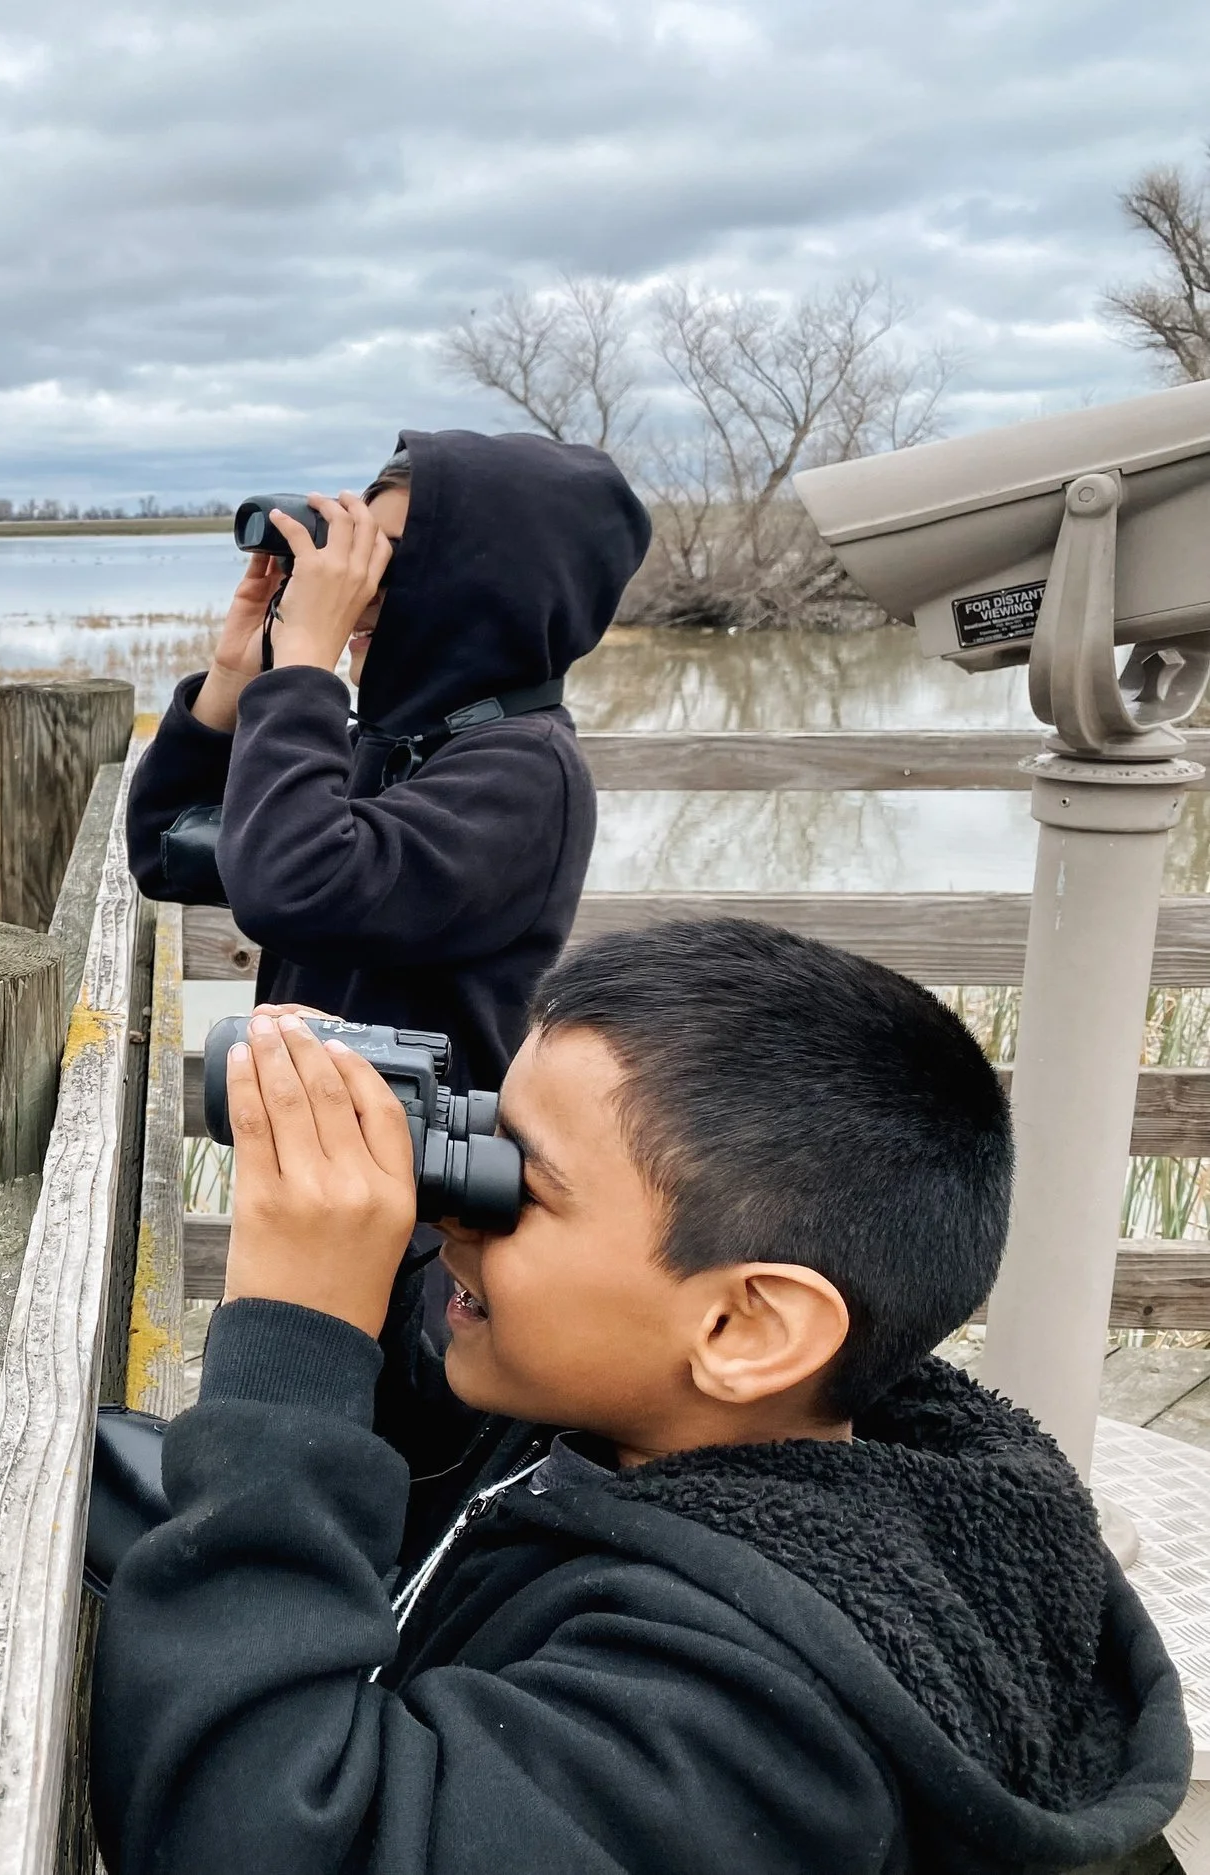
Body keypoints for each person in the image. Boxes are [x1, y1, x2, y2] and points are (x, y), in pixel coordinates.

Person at [92, 919, 1189, 1875]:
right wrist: (362, 1250)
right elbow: (445, 1467)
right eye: (482, 1135)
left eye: (525, 1185)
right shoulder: (650, 1416)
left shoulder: (750, 1734)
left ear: (744, 1327)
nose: (458, 1210)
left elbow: (241, 1834)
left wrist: (293, 1338)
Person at [128, 430, 651, 1090]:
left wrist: (303, 670)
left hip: (419, 1153)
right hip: (313, 1138)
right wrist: (236, 676)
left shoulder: (525, 772)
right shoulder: (391, 741)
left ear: (492, 588)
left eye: (390, 560)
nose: (360, 589)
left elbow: (293, 889)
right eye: (359, 555)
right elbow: (168, 850)